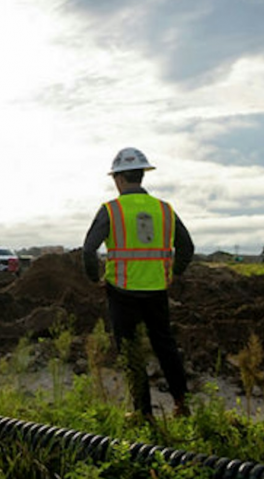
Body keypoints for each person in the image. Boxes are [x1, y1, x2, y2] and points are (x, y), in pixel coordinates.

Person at [82, 147, 194, 420]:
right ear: (141, 175)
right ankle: (181, 404)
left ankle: (143, 412)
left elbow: (88, 250)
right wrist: (174, 273)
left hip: (122, 292)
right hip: (157, 290)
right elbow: (187, 247)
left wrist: (95, 278)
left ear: (119, 178)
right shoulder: (164, 210)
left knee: (131, 350)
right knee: (165, 346)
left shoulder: (111, 210)